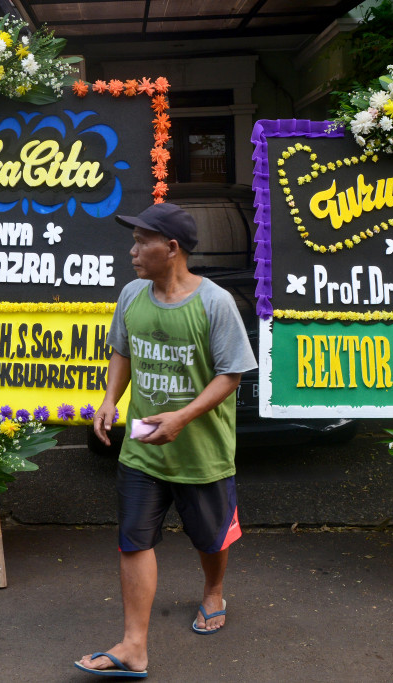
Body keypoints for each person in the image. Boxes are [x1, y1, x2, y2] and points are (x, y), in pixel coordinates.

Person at [75, 202, 257, 678]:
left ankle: (213, 591)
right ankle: (134, 646)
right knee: (133, 538)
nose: (132, 251)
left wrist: (183, 417)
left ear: (172, 248)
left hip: (203, 451)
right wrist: (110, 399)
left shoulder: (214, 302)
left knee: (210, 537)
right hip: (141, 448)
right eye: (133, 241)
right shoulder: (132, 294)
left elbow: (232, 373)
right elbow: (122, 349)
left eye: (142, 242)